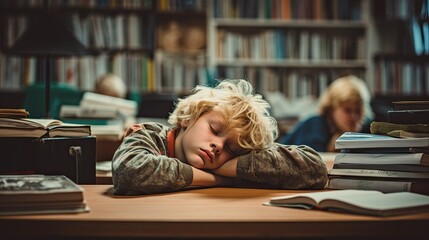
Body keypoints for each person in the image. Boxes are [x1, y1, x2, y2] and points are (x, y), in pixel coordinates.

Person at [112, 79, 328, 195]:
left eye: (231, 149)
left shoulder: (230, 159)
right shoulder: (149, 136)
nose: (218, 146)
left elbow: (314, 170)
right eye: (215, 130)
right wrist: (218, 179)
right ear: (189, 118)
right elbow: (129, 173)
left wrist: (235, 166)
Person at [278, 75, 374, 152]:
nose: (354, 117)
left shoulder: (364, 130)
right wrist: (329, 150)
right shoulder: (315, 124)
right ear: (332, 108)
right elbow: (309, 165)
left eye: (358, 111)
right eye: (347, 110)